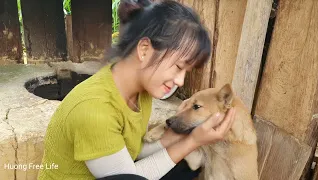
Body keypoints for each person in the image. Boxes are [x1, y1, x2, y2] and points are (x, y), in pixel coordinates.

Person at [37, 0, 236, 179]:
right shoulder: (94, 110)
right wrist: (192, 141)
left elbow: (132, 152)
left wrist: (176, 136)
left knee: (185, 166)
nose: (181, 81)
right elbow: (128, 178)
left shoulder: (140, 93)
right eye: (178, 67)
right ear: (144, 50)